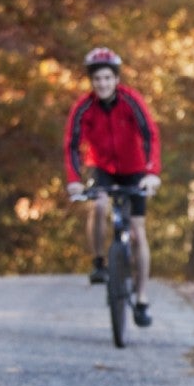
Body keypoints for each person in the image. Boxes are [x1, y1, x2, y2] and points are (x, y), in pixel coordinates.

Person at [63, 47, 162, 326]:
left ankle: (142, 298)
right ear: (91, 82)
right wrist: (74, 180)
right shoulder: (83, 106)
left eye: (107, 78)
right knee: (99, 204)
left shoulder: (132, 101)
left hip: (135, 170)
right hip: (102, 169)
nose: (102, 84)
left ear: (116, 79)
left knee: (138, 232)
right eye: (97, 80)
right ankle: (98, 262)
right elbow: (71, 144)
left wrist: (152, 172)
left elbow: (150, 135)